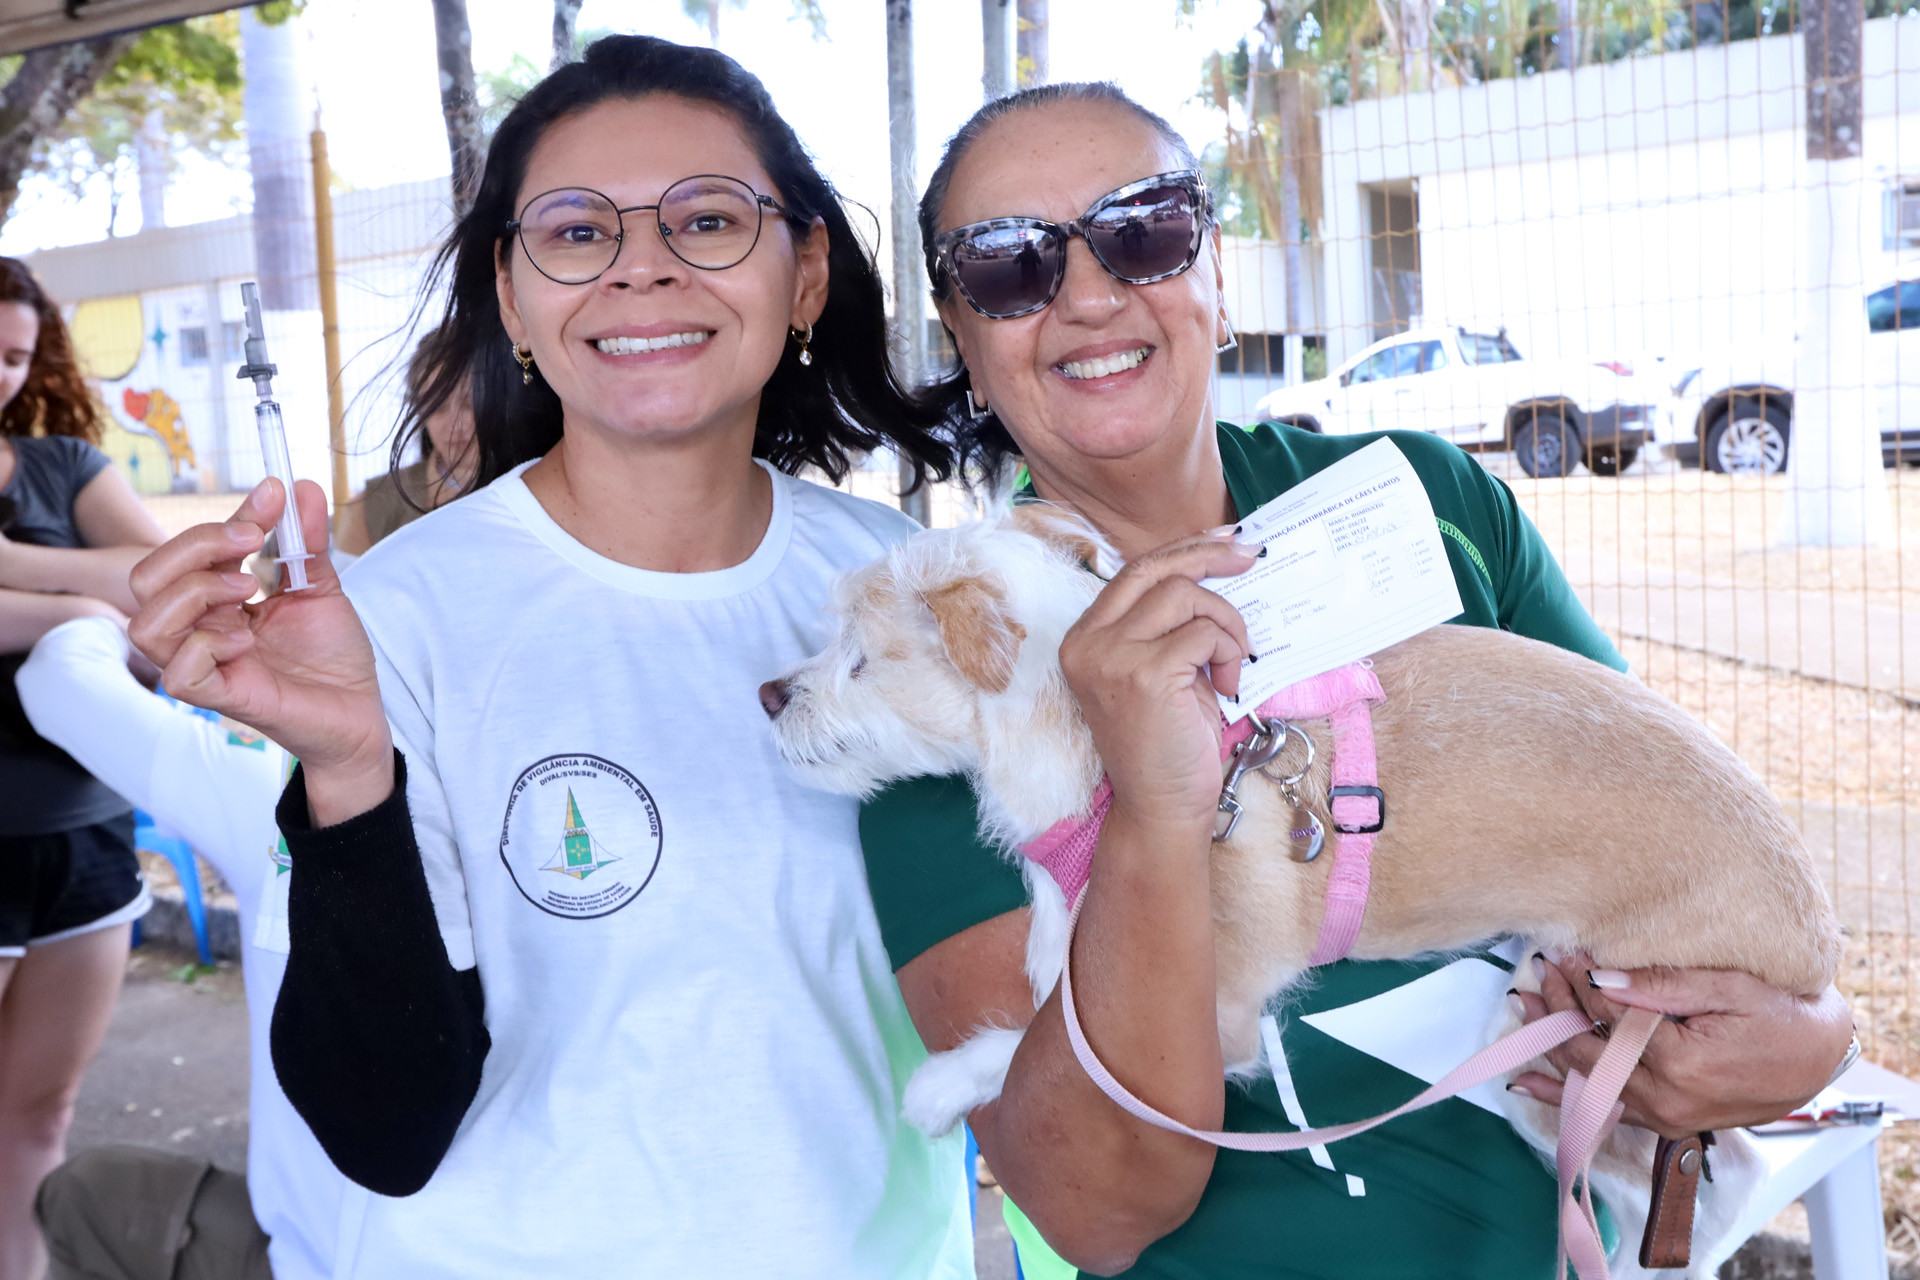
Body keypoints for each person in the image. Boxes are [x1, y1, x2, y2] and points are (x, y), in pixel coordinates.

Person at [857, 83, 1859, 1279]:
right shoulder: (943, 667)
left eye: (1144, 226)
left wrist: (1810, 1036)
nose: (1086, 292)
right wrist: (1153, 801)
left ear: (1213, 274)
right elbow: (1099, 1210)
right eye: (1009, 264)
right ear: (958, 332)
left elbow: (1664, 840)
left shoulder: (1430, 502)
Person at [125, 36, 973, 1279]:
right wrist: (351, 771)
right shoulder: (393, 615)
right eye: (578, 233)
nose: (642, 266)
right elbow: (382, 1125)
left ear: (804, 276)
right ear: (514, 300)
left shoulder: (901, 588)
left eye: (708, 219)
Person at [18, 614, 347, 1280]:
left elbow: (59, 673)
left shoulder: (282, 794)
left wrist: (97, 607)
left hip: (324, 1255)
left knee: (85, 1196)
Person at [0, 256, 166, 1280]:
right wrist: (79, 609)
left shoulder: (62, 466)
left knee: (38, 1113)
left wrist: (20, 565)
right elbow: (121, 605)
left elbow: (172, 581)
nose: (0, 375)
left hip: (86, 843)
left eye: (13, 356)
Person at [331, 324, 477, 556]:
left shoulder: (536, 486)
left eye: (470, 402)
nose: (455, 424)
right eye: (437, 406)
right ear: (420, 411)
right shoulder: (371, 509)